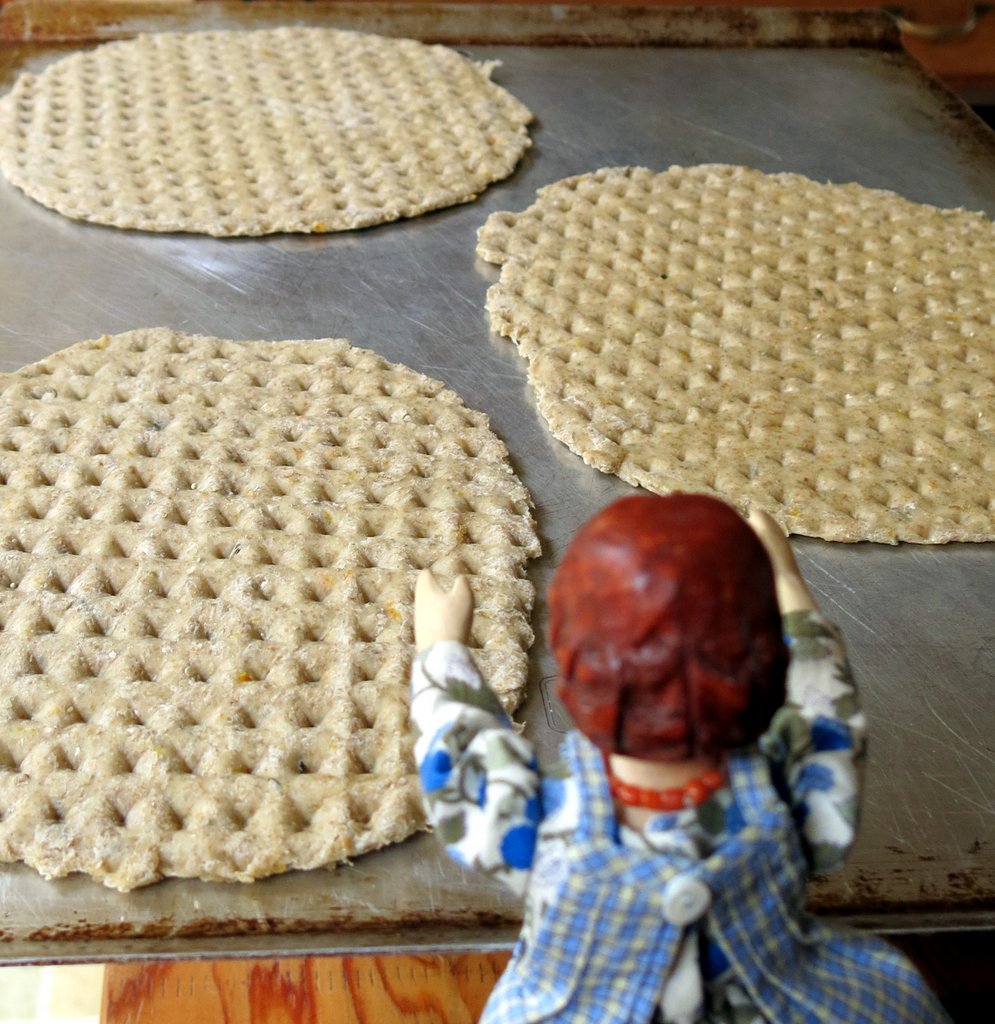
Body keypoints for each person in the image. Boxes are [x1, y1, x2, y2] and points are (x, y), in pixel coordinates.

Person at [409, 493, 949, 1024]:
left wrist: (441, 648)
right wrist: (790, 592)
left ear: (573, 671)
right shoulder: (792, 794)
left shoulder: (537, 825)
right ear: (768, 669)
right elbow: (825, 713)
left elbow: (461, 760)